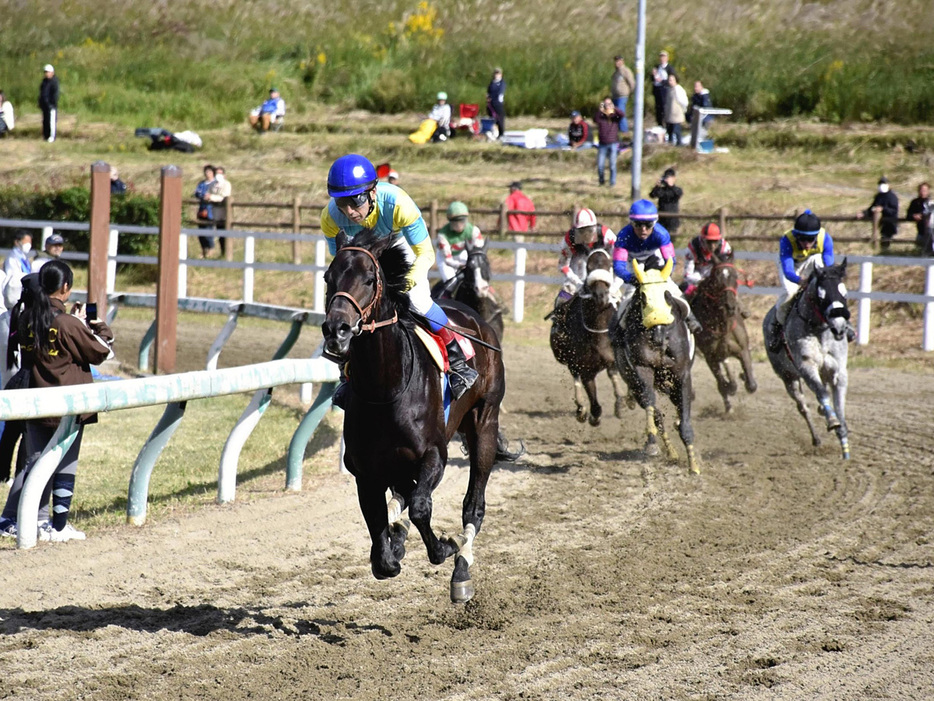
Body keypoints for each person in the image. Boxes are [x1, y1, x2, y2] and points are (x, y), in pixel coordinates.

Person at [320, 154, 478, 404]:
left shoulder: (398, 203)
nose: (349, 211)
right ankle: (346, 371)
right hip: (363, 254)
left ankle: (458, 359)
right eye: (341, 204)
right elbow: (342, 264)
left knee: (416, 299)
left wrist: (410, 278)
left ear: (372, 192)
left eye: (355, 201)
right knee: (346, 305)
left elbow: (425, 253)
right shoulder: (330, 218)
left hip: (399, 246)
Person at [0, 261, 114, 542]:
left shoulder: (28, 319)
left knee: (33, 464)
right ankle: (58, 526)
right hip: (67, 403)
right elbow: (101, 351)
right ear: (65, 288)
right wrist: (95, 326)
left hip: (34, 397)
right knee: (65, 464)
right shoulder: (66, 322)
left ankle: (22, 518)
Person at [766, 209, 854, 352]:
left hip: (811, 263)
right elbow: (788, 270)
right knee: (790, 293)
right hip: (792, 267)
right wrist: (800, 281)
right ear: (796, 235)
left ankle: (846, 323)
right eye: (802, 238)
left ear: (816, 236)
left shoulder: (825, 238)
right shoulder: (787, 240)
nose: (806, 243)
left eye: (810, 239)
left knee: (830, 288)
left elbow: (828, 266)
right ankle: (776, 328)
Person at [612, 199, 702, 333]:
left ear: (654, 223)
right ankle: (618, 332)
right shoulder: (623, 236)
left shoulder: (662, 234)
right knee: (627, 299)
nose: (643, 229)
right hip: (635, 267)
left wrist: (663, 276)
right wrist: (630, 278)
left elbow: (671, 261)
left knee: (673, 289)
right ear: (631, 223)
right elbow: (618, 266)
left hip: (656, 265)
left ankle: (691, 319)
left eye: (648, 225)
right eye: (638, 225)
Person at [555, 207, 618, 308]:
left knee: (620, 302)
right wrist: (577, 283)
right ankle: (558, 323)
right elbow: (563, 266)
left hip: (603, 280)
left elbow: (620, 260)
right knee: (561, 301)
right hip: (576, 279)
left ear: (595, 227)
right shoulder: (569, 240)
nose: (586, 234)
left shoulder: (606, 235)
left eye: (589, 230)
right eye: (581, 231)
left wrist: (614, 285)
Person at [436, 201, 485, 282]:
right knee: (452, 282)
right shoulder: (443, 235)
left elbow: (478, 251)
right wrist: (460, 265)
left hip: (462, 254)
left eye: (462, 220)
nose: (459, 224)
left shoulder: (473, 230)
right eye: (455, 221)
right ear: (450, 221)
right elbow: (448, 260)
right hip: (445, 259)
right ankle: (445, 294)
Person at [856, 176, 899, 249]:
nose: (881, 185)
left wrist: (883, 209)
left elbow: (894, 211)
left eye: (883, 183)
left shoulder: (892, 197)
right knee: (879, 241)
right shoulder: (878, 196)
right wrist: (863, 213)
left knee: (886, 241)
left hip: (889, 224)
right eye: (880, 183)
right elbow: (872, 208)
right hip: (879, 224)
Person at [594, 97, 623, 186]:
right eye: (606, 104)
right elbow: (595, 119)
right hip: (602, 143)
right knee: (600, 165)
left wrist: (613, 108)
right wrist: (601, 110)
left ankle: (612, 183)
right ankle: (601, 181)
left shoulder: (615, 117)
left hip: (613, 143)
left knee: (612, 165)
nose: (607, 106)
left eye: (609, 104)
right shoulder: (600, 117)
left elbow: (622, 114)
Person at [206, 166, 232, 257]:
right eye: (217, 173)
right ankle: (222, 252)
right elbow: (208, 193)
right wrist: (208, 197)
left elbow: (224, 196)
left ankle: (226, 252)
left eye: (220, 173)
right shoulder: (212, 184)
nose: (218, 175)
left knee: (225, 232)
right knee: (219, 232)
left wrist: (212, 197)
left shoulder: (226, 184)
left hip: (224, 211)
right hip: (215, 211)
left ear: (224, 175)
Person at [649, 168, 683, 234]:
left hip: (672, 219)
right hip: (661, 219)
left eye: (668, 177)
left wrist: (671, 186)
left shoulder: (677, 190)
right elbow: (652, 195)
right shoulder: (661, 190)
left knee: (671, 239)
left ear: (674, 178)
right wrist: (657, 186)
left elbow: (678, 194)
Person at [194, 164, 217, 259]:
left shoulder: (216, 183)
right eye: (206, 172)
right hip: (202, 210)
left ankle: (211, 250)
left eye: (210, 172)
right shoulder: (202, 184)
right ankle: (204, 251)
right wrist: (203, 195)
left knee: (208, 231)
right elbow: (197, 193)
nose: (207, 174)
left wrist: (210, 196)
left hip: (211, 211)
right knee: (201, 233)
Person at [610, 55, 635, 134]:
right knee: (615, 114)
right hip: (615, 96)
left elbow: (632, 83)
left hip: (622, 96)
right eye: (616, 61)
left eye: (619, 60)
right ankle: (617, 131)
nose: (617, 62)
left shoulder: (625, 71)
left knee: (621, 113)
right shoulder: (615, 72)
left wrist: (629, 92)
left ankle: (624, 131)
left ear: (622, 61)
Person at [906, 182, 933, 254]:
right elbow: (908, 216)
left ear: (928, 191)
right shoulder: (915, 203)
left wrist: (924, 216)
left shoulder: (931, 202)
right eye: (921, 190)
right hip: (920, 231)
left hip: (931, 232)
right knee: (919, 250)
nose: (922, 192)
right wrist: (913, 216)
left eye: (924, 190)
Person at [651, 51, 675, 128]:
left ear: (667, 58)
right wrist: (653, 75)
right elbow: (652, 79)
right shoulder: (657, 67)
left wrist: (662, 81)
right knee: (658, 108)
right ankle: (659, 124)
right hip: (657, 89)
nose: (662, 58)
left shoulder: (669, 68)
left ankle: (667, 125)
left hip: (665, 90)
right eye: (661, 57)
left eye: (664, 57)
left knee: (665, 108)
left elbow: (673, 80)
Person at [664, 74, 688, 146]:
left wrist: (682, 110)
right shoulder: (669, 89)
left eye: (671, 80)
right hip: (669, 114)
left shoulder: (678, 89)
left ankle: (679, 144)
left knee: (677, 130)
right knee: (669, 131)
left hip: (676, 114)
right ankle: (670, 144)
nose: (670, 82)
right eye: (669, 80)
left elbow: (684, 102)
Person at [38, 64, 59, 143]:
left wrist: (52, 104)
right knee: (45, 121)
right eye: (45, 72)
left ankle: (52, 136)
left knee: (51, 122)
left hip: (51, 106)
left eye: (48, 72)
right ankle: (45, 136)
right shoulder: (44, 82)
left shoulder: (54, 82)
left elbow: (55, 94)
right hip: (45, 105)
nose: (46, 73)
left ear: (52, 72)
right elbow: (42, 93)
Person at [486, 68, 506, 138]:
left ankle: (501, 133)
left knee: (500, 119)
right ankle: (493, 132)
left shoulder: (502, 83)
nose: (496, 75)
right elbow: (488, 91)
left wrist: (497, 99)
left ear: (501, 74)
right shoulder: (492, 83)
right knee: (492, 119)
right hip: (491, 103)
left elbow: (500, 93)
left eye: (498, 73)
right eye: (495, 73)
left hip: (498, 103)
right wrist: (488, 97)